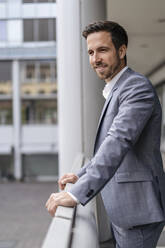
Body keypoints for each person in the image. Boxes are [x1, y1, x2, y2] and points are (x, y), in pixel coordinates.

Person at [46, 21, 165, 248]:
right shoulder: (117, 89)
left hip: (138, 210)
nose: (95, 59)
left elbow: (118, 141)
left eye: (102, 50)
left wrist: (76, 194)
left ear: (121, 51)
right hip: (124, 207)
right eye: (91, 52)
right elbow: (109, 144)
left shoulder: (136, 87)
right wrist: (82, 174)